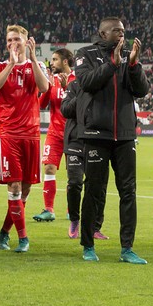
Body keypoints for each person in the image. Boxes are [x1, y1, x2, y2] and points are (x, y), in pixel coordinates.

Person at [72, 17, 148, 264]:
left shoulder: (129, 56)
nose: (121, 34)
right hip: (96, 134)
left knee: (129, 192)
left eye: (124, 31)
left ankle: (127, 248)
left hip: (125, 135)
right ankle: (88, 245)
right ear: (103, 33)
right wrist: (112, 64)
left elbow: (141, 90)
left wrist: (134, 66)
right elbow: (86, 83)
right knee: (94, 190)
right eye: (116, 31)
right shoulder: (86, 54)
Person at [0, 25, 49, 253]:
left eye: (17, 39)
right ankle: (23, 238)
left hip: (32, 134)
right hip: (9, 134)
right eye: (9, 39)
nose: (12, 42)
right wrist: (12, 64)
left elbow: (44, 88)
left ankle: (4, 233)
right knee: (13, 186)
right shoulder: (0, 66)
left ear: (26, 42)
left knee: (24, 190)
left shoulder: (37, 66)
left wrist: (32, 59)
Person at [60, 74, 108, 240]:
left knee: (98, 186)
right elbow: (65, 110)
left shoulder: (104, 86)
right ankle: (74, 219)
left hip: (97, 141)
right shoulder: (74, 86)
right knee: (74, 183)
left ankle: (95, 227)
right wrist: (83, 94)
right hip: (75, 141)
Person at [33, 49, 73, 223]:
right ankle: (49, 209)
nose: (52, 63)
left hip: (73, 134)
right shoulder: (52, 81)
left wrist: (66, 88)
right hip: (54, 133)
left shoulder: (78, 80)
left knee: (74, 174)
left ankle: (72, 209)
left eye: (55, 59)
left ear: (65, 62)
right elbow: (41, 105)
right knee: (49, 168)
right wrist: (47, 88)